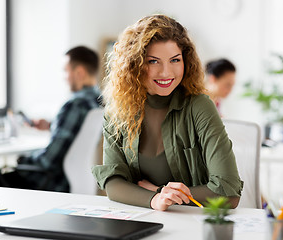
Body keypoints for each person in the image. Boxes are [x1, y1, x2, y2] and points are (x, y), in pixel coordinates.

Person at [92, 15, 243, 211]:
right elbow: (113, 184)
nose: (166, 72)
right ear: (134, 65)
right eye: (153, 61)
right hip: (141, 221)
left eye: (175, 60)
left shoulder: (199, 106)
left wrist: (157, 191)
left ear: (186, 61)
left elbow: (228, 194)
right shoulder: (117, 111)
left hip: (193, 223)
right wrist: (154, 199)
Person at [0, 46, 102, 192]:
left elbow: (49, 160)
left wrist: (22, 159)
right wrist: (51, 125)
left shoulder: (75, 105)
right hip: (78, 181)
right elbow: (77, 134)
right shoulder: (98, 101)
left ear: (79, 72)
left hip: (51, 183)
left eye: (66, 71)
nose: (64, 77)